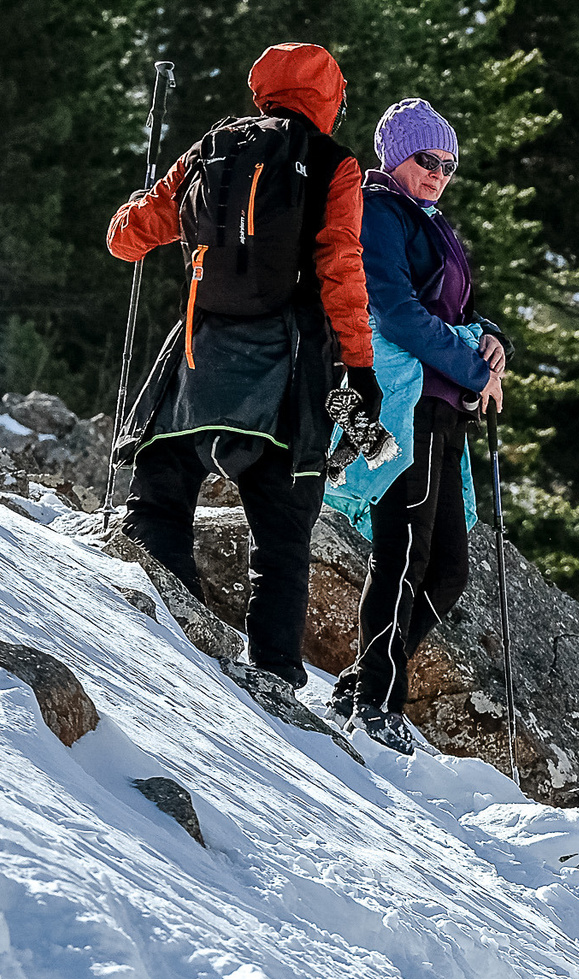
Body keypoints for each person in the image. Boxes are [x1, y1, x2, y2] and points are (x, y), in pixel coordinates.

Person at [108, 42, 376, 688]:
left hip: (198, 365)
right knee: (282, 540)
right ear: (332, 99)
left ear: (265, 90)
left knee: (161, 494)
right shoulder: (335, 166)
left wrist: (143, 196)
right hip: (288, 381)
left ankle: (165, 631)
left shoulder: (213, 148)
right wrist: (359, 371)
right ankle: (276, 678)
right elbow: (341, 269)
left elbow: (125, 238)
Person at [320, 98, 506, 754]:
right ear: (395, 156)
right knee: (403, 557)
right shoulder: (380, 212)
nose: (439, 173)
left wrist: (492, 342)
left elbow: (461, 311)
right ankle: (377, 702)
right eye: (428, 160)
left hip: (438, 408)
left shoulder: (431, 222)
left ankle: (362, 681)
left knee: (448, 568)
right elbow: (397, 314)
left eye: (449, 165)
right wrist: (476, 370)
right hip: (403, 405)